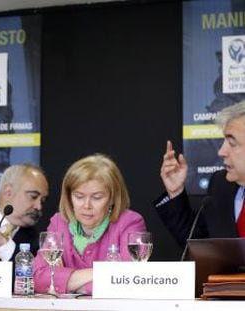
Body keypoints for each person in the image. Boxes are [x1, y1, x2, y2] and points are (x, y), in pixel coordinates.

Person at [33, 154, 146, 295]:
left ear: (112, 198)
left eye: (97, 197)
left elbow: (128, 280)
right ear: (69, 197)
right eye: (79, 196)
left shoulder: (130, 223)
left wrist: (69, 283)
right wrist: (101, 274)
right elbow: (37, 278)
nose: (86, 205)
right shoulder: (58, 223)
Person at [154, 100, 245, 247]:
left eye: (232, 143)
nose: (221, 152)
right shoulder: (221, 184)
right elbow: (199, 245)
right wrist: (176, 192)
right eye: (223, 141)